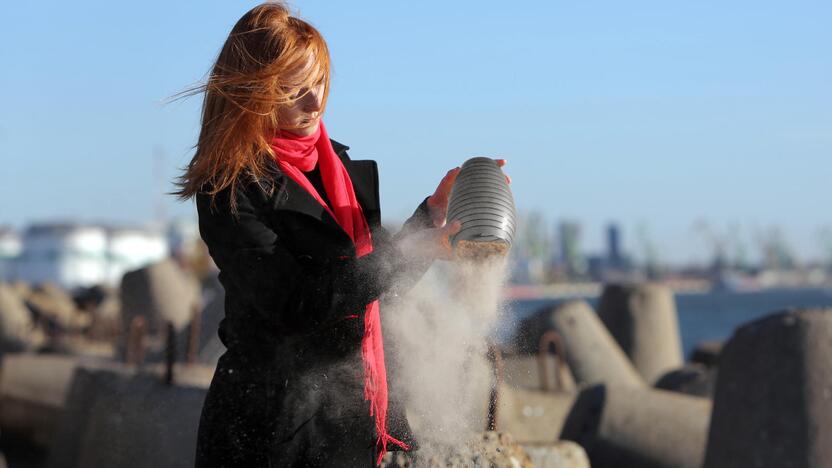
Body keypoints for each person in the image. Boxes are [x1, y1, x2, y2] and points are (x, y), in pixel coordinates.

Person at [175, 3, 506, 466]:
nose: (315, 103)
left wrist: (430, 218)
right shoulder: (228, 186)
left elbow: (375, 289)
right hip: (271, 429)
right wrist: (407, 253)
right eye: (293, 91)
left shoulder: (340, 169)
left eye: (320, 83)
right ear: (252, 94)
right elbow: (294, 305)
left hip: (350, 419)